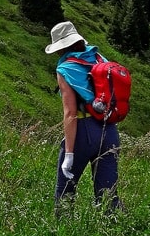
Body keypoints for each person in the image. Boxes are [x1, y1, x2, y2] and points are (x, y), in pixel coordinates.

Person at [46, 20, 122, 214]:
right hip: (109, 130)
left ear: (60, 47)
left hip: (83, 131)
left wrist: (69, 153)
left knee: (65, 191)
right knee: (107, 195)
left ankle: (62, 235)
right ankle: (114, 233)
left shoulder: (65, 69)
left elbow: (70, 113)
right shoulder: (98, 58)